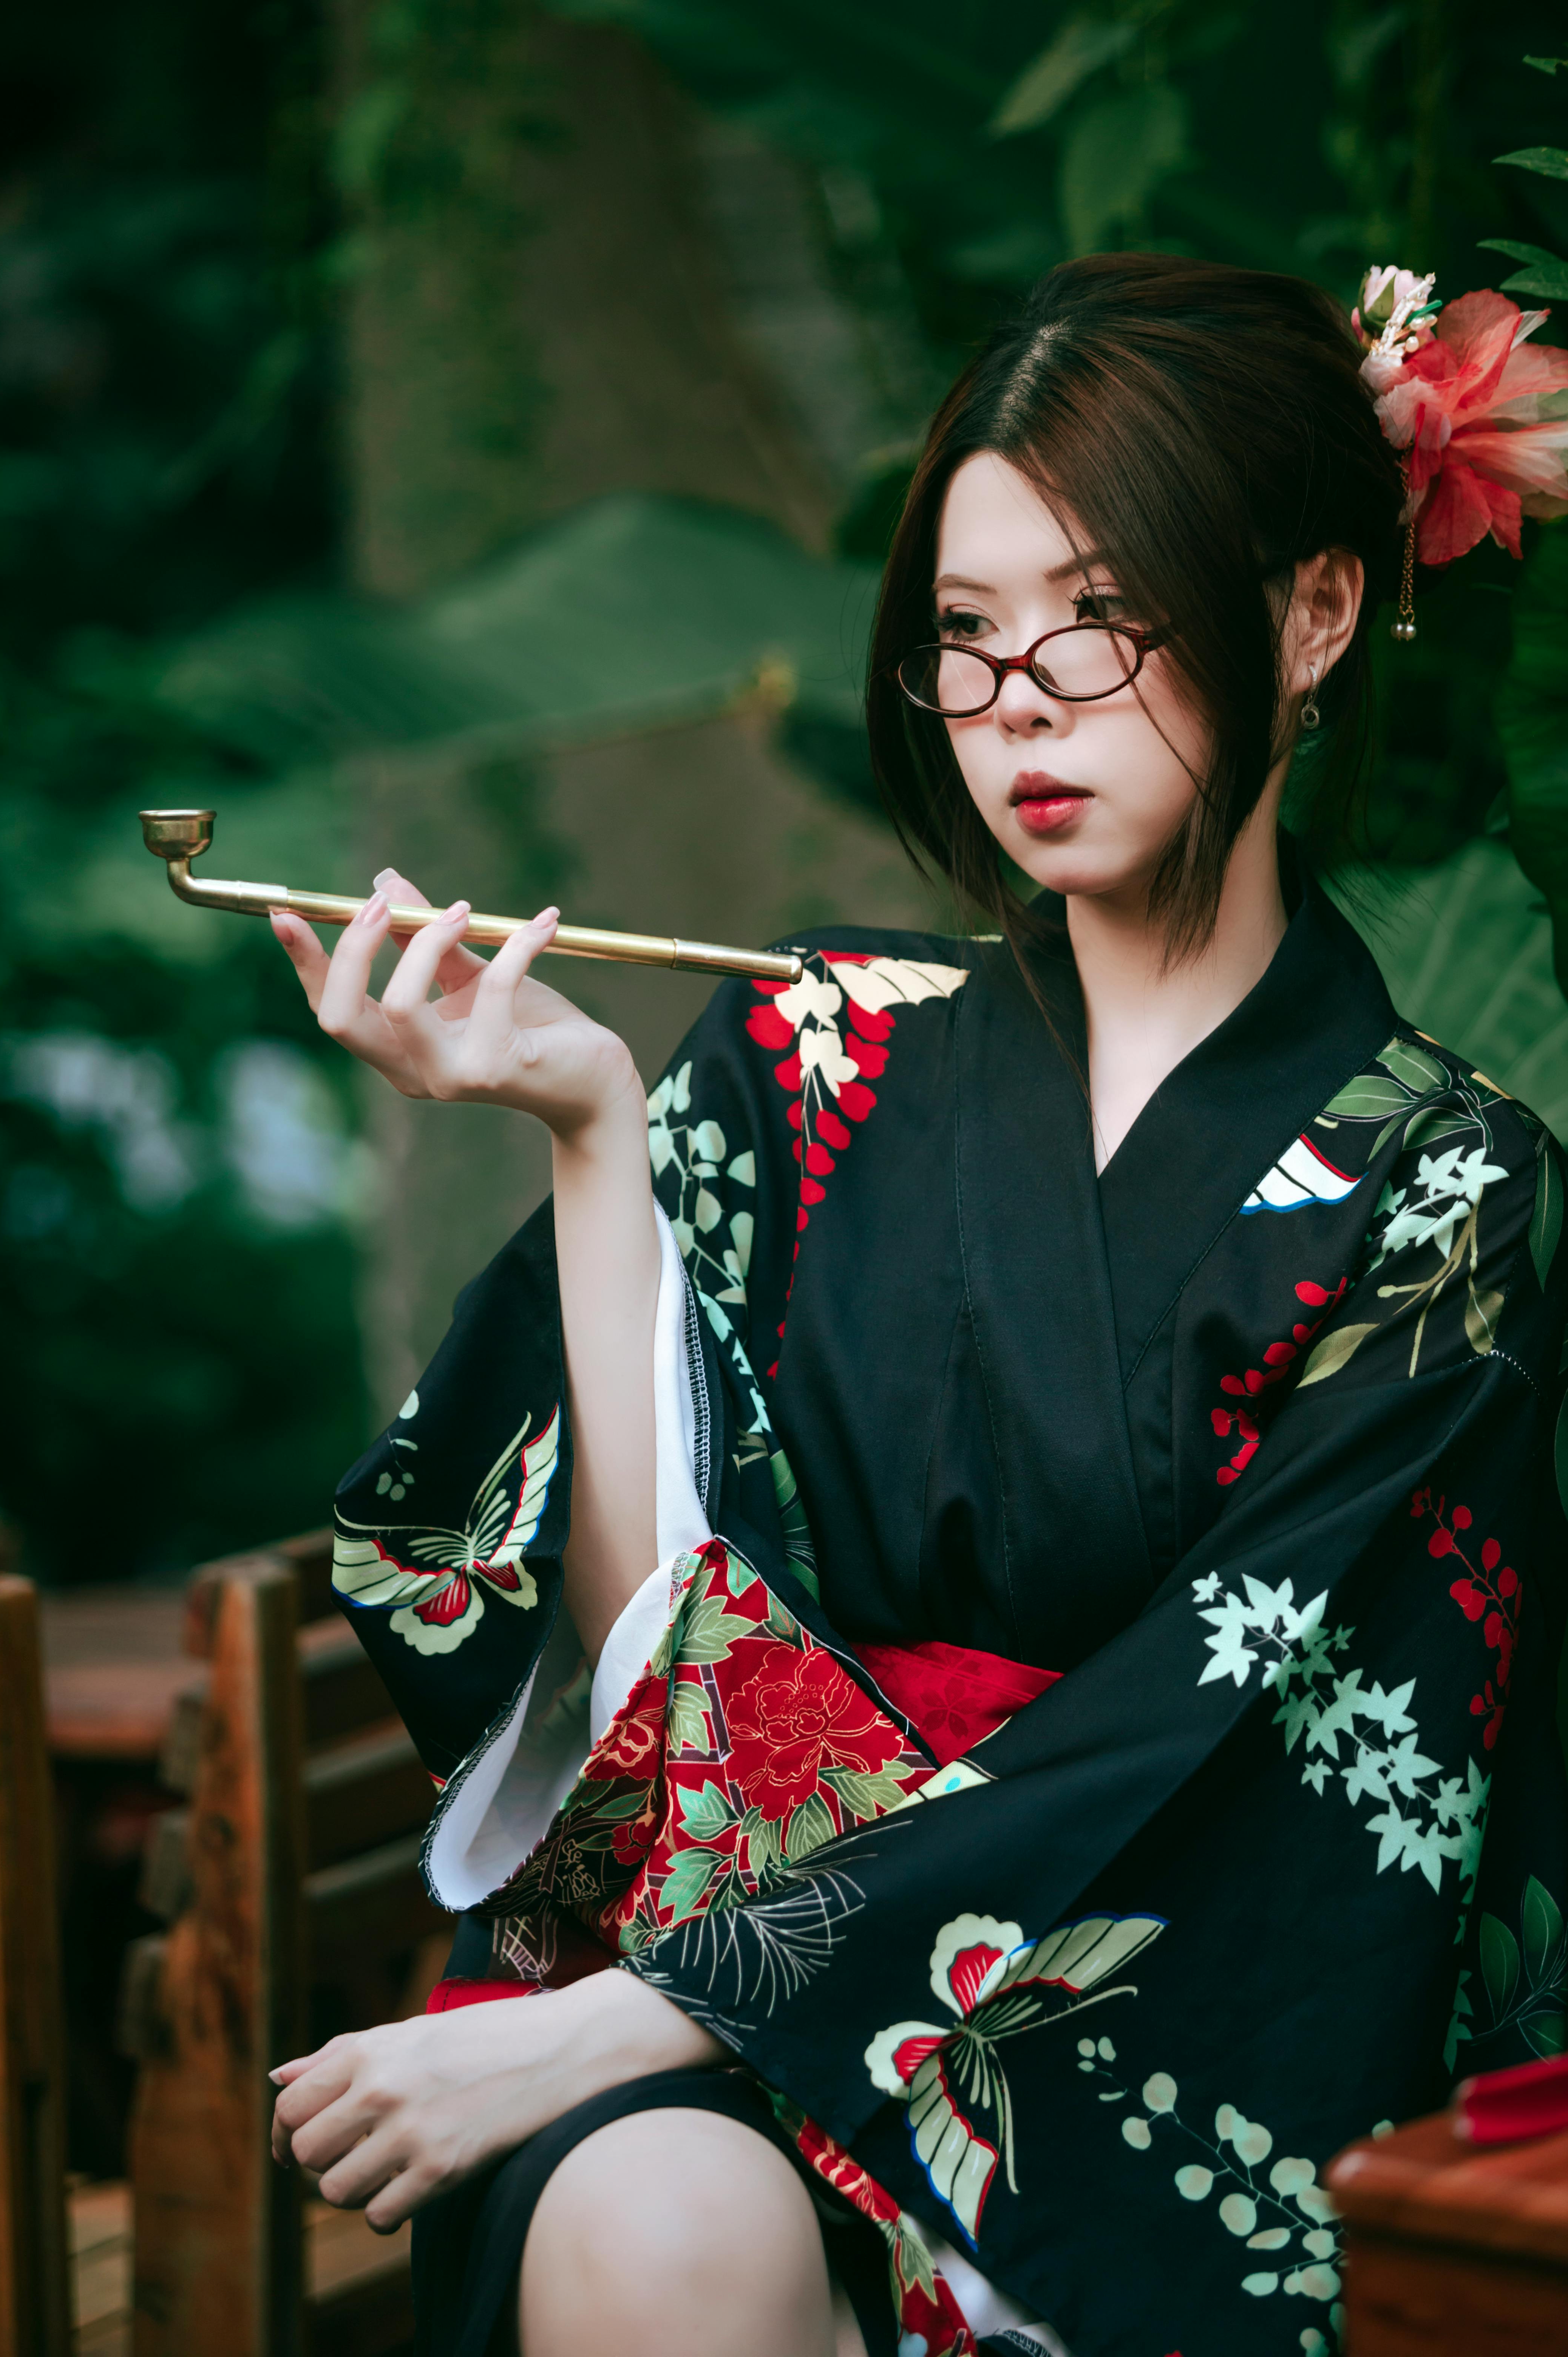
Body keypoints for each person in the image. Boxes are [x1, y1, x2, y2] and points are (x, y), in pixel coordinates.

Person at [266, 255, 1568, 2357]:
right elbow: (652, 1684)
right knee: (660, 2225)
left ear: (1316, 610)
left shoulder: (1449, 1187)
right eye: (964, 638)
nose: (1021, 700)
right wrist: (596, 1137)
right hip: (714, 1968)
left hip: (1143, 2048)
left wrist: (624, 2018)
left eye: (1098, 612)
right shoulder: (813, 1049)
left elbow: (1228, 1767)